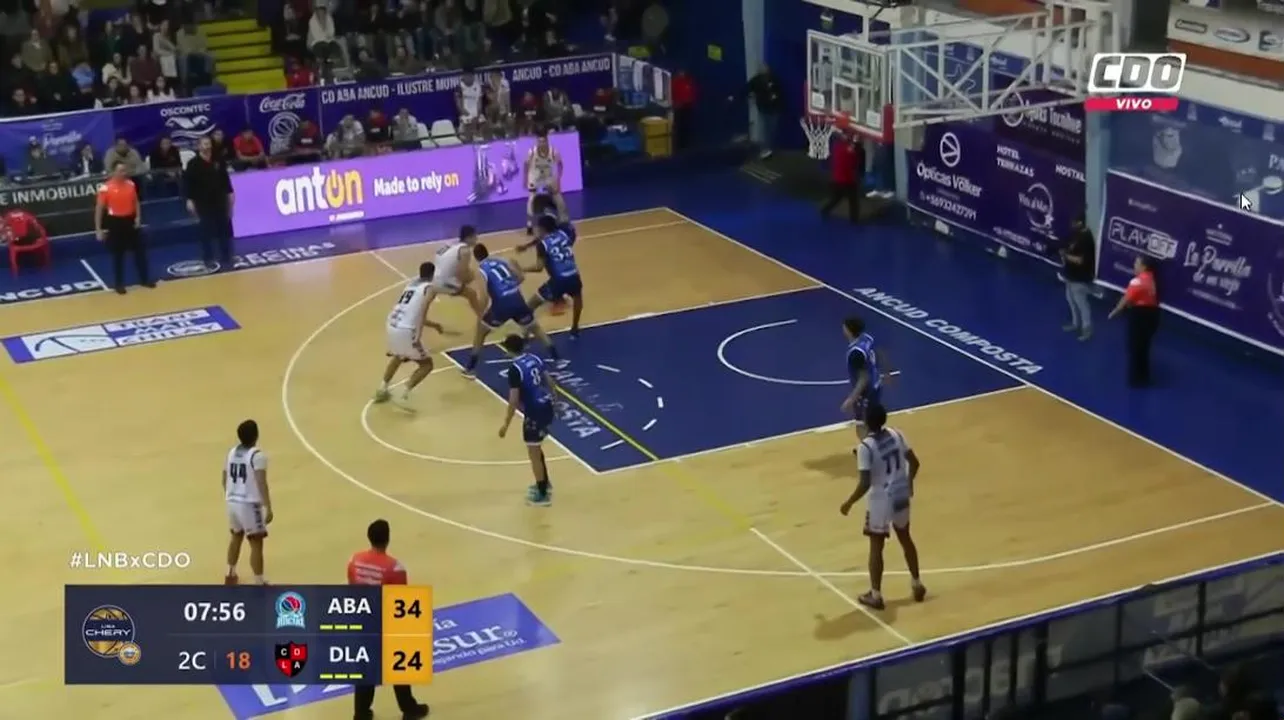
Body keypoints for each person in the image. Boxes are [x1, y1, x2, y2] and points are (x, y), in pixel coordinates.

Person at [839, 403, 926, 610]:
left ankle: (876, 595)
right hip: (900, 491)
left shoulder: (865, 447)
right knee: (905, 538)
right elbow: (915, 463)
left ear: (867, 422)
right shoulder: (897, 434)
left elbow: (865, 483)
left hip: (881, 499)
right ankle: (917, 583)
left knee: (876, 546)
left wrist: (849, 502)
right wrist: (909, 483)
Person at [347, 519, 430, 720]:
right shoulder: (395, 568)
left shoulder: (355, 561)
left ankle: (361, 713)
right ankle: (408, 708)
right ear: (388, 538)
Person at [461, 243, 561, 375]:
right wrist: (509, 286)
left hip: (501, 305)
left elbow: (484, 296)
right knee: (536, 329)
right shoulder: (501, 261)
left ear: (476, 258)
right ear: (487, 252)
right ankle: (557, 359)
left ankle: (470, 368)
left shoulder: (481, 270)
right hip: (517, 299)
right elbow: (521, 277)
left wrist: (481, 314)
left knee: (481, 332)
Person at [376, 261, 446, 409]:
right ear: (432, 275)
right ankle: (403, 393)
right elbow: (422, 312)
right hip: (406, 330)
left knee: (399, 355)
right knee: (427, 365)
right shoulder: (430, 288)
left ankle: (382, 389)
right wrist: (418, 334)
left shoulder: (410, 286)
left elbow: (411, 313)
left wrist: (434, 325)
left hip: (392, 324)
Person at [497, 334, 557, 506]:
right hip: (546, 405)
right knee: (536, 447)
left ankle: (543, 494)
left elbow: (514, 400)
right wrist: (555, 399)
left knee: (533, 452)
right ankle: (544, 483)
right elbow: (549, 381)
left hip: (534, 411)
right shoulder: (534, 358)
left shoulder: (515, 369)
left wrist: (506, 424)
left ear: (508, 350)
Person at [223, 419, 272, 586]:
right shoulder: (257, 456)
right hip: (249, 505)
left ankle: (230, 574)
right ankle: (259, 582)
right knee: (256, 543)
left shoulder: (231, 453)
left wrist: (231, 496)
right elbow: (261, 482)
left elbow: (224, 478)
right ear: (256, 435)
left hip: (232, 501)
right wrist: (268, 506)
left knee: (236, 537)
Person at [95, 160, 154, 294]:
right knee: (118, 255)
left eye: (125, 170)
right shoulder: (105, 188)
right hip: (115, 222)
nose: (124, 173)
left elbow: (136, 202)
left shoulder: (130, 184)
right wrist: (98, 229)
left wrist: (138, 217)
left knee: (140, 251)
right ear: (113, 172)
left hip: (130, 220)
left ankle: (144, 279)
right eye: (121, 171)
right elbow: (99, 209)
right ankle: (119, 284)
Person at [520, 214, 584, 338]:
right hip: (573, 275)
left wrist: (522, 268)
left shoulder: (543, 245)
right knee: (577, 300)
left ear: (542, 229)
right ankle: (575, 329)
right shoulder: (564, 234)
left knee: (530, 306)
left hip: (558, 281)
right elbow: (570, 235)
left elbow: (539, 267)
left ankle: (525, 337)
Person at [183, 135, 235, 270]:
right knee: (206, 231)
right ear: (199, 146)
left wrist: (230, 194)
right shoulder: (193, 164)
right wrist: (189, 200)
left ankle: (226, 256)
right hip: (203, 202)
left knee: (224, 229)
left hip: (220, 200)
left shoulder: (219, 161)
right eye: (204, 144)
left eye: (208, 143)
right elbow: (188, 184)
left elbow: (225, 180)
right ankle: (208, 258)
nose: (207, 146)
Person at [1108, 254, 1160, 387]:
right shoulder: (1151, 278)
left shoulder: (1137, 282)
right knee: (1144, 347)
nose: (1134, 265)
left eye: (1137, 263)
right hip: (1152, 315)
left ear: (1144, 266)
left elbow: (1126, 299)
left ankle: (1135, 380)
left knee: (1135, 347)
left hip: (1140, 316)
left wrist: (1114, 312)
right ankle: (1144, 377)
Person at [840, 316, 890, 440]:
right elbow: (879, 352)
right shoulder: (867, 338)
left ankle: (868, 447)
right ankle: (878, 445)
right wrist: (886, 371)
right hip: (876, 384)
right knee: (873, 421)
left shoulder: (855, 353)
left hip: (866, 393)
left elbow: (863, 378)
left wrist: (851, 399)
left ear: (848, 330)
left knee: (862, 425)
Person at [424, 225, 486, 319]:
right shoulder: (465, 250)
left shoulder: (451, 244)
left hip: (433, 279)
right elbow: (462, 273)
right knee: (472, 293)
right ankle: (482, 318)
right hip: (446, 282)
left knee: (430, 294)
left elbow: (438, 256)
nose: (477, 239)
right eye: (475, 237)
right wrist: (470, 278)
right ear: (468, 238)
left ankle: (421, 315)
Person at [1060, 212, 1096, 341]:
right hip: (1070, 275)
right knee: (1070, 299)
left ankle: (1087, 329)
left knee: (1081, 303)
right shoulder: (1077, 234)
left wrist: (1066, 256)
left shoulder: (1086, 239)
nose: (1072, 225)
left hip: (1080, 277)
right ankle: (1075, 323)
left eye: (1074, 223)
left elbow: (1080, 260)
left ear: (1080, 223)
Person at [524, 127, 566, 235]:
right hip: (535, 176)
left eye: (543, 141)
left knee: (558, 197)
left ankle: (562, 221)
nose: (541, 144)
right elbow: (526, 164)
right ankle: (529, 224)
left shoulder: (553, 151)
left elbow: (560, 165)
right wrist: (525, 179)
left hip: (548, 176)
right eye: (539, 141)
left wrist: (558, 180)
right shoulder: (532, 152)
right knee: (532, 198)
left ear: (547, 141)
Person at [820, 133, 863, 223]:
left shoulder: (837, 147)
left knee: (837, 198)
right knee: (853, 200)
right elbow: (854, 157)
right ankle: (854, 219)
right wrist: (857, 143)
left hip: (838, 178)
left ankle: (825, 210)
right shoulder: (847, 148)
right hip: (847, 179)